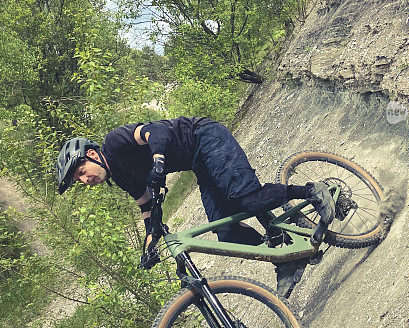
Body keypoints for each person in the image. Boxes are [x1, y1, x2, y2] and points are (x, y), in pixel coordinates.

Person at [56, 116, 334, 298]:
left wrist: (158, 161)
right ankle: (284, 255)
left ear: (92, 155)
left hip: (206, 137)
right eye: (77, 179)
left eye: (81, 171)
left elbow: (155, 132)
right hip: (198, 163)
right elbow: (146, 206)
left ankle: (311, 191)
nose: (84, 180)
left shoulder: (115, 142)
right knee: (226, 232)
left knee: (244, 198)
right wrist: (150, 243)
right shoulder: (121, 177)